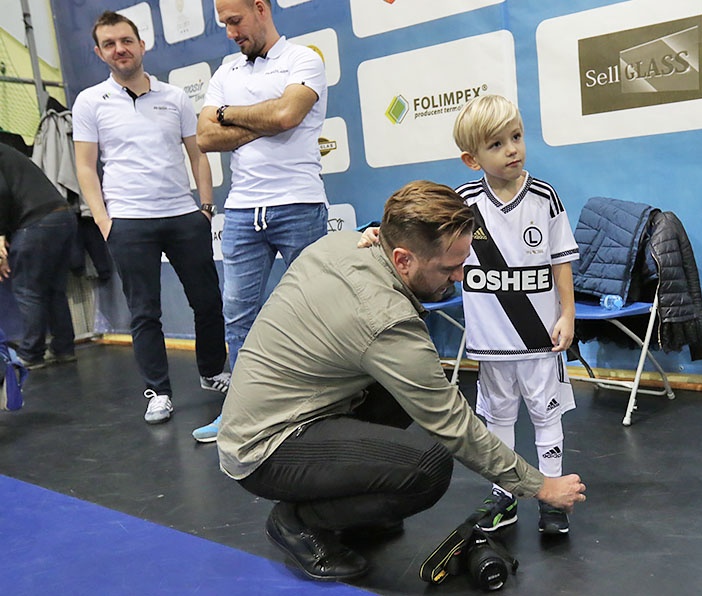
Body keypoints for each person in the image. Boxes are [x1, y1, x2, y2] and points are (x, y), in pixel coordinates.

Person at [217, 180, 586, 581]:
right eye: (449, 268)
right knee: (427, 468)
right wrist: (539, 486)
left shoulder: (344, 244)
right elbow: (452, 425)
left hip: (294, 407)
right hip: (264, 447)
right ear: (403, 259)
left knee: (408, 385)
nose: (462, 277)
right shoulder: (385, 319)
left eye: (464, 262)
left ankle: (355, 506)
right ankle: (300, 521)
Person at [359, 95, 580, 535]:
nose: (512, 149)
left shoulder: (544, 196)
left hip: (539, 338)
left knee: (545, 413)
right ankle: (505, 493)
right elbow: (416, 230)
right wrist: (376, 235)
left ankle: (553, 495)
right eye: (496, 144)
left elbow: (561, 260)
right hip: (489, 340)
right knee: (497, 416)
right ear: (470, 158)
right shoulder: (462, 202)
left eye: (516, 137)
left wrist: (568, 314)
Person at [72, 11, 230, 425]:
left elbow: (198, 154)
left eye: (125, 41)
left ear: (142, 45)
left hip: (183, 216)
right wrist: (107, 224)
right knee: (144, 314)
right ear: (99, 52)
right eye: (109, 44)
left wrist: (206, 208)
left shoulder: (174, 97)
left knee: (209, 302)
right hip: (128, 223)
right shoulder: (90, 102)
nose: (119, 49)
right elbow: (85, 168)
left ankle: (213, 373)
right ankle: (158, 392)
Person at [193, 0, 329, 443]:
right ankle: (244, 412)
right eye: (223, 24)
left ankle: (321, 406)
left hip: (299, 204)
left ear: (260, 8)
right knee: (238, 316)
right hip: (241, 210)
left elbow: (288, 115)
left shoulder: (302, 59)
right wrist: (264, 119)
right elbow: (205, 137)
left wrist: (231, 114)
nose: (230, 32)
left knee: (315, 312)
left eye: (235, 21)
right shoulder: (225, 73)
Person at [0, 144, 77, 369]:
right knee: (54, 289)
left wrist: (0, 236)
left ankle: (31, 354)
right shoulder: (7, 153)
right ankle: (64, 349)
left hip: (36, 223)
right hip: (62, 217)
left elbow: (1, 193)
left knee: (28, 291)